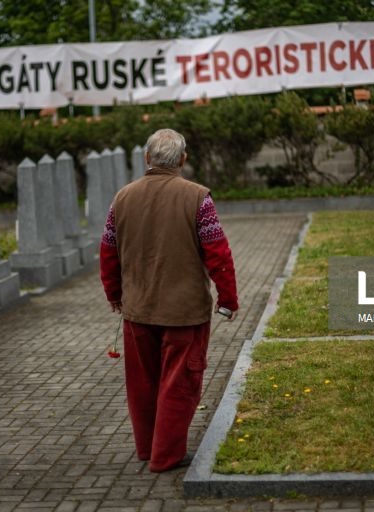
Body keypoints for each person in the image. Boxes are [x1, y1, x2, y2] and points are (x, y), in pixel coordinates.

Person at [99, 128, 239, 472]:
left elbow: (107, 252)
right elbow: (217, 252)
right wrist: (228, 298)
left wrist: (114, 294)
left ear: (147, 159)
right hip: (184, 313)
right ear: (182, 159)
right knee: (179, 385)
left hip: (138, 311)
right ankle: (167, 457)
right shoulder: (198, 198)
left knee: (142, 386)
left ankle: (147, 449)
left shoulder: (122, 198)